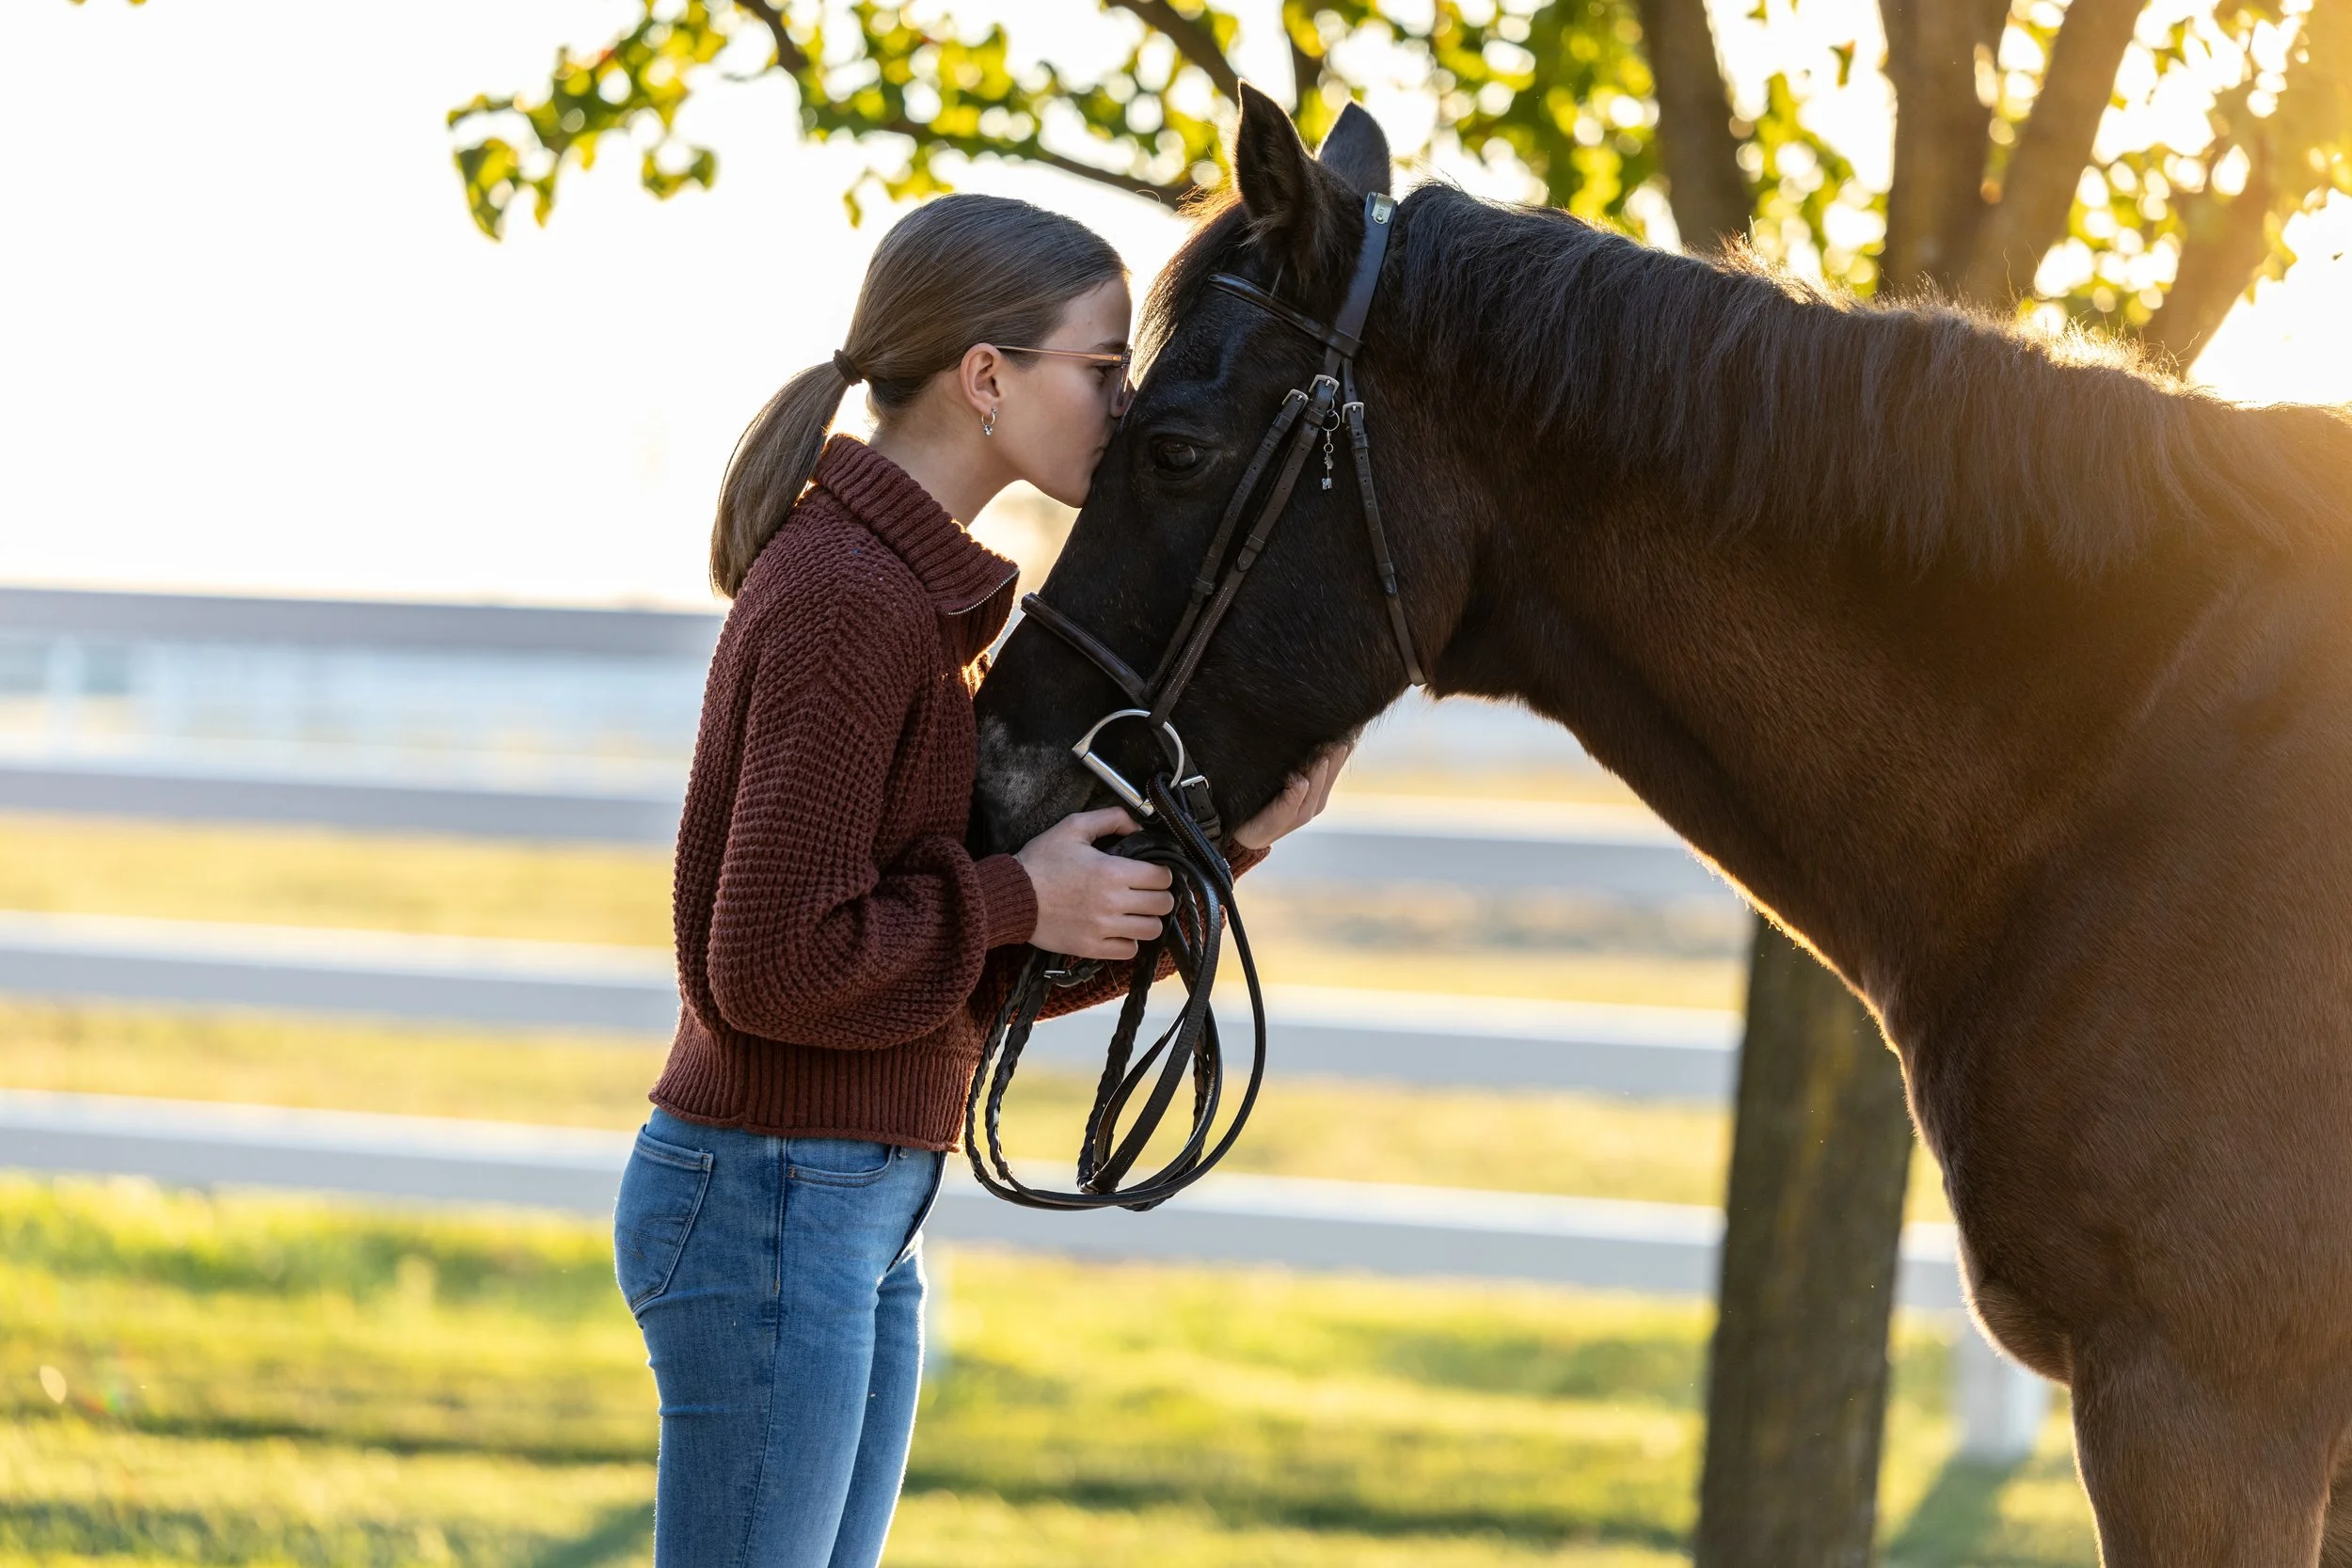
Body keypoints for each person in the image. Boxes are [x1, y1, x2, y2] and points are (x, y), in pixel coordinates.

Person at [611, 193, 1345, 1568]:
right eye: (1105, 367)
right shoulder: (849, 599)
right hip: (779, 1200)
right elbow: (768, 960)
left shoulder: (909, 599)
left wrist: (1237, 844)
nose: (1127, 405)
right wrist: (1015, 893)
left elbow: (940, 978)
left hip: (841, 1200)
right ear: (989, 378)